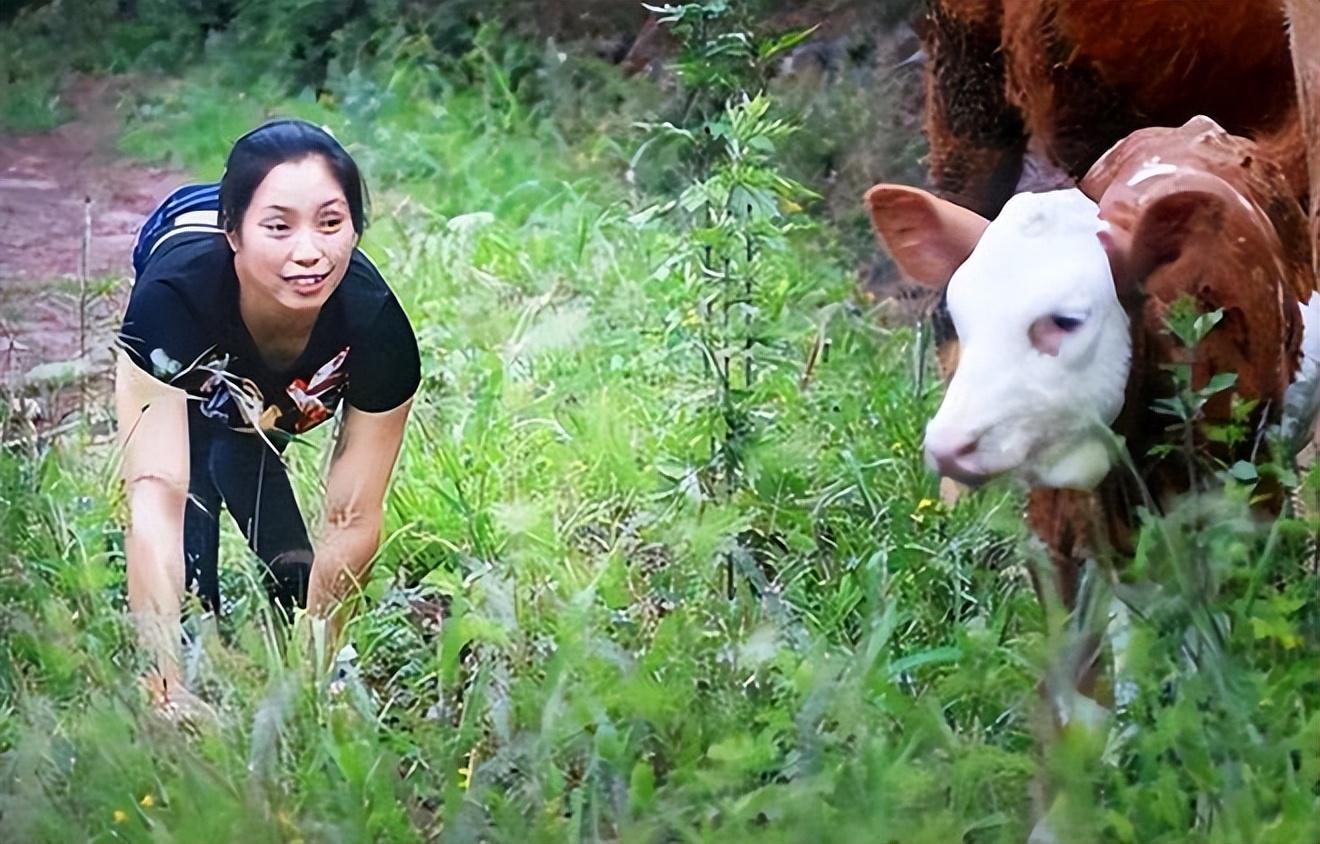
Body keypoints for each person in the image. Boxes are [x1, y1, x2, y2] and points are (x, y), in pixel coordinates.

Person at [115, 119, 419, 710]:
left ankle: (293, 630)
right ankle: (178, 654)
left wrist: (316, 668)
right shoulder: (171, 301)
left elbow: (354, 516)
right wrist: (162, 680)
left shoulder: (376, 325)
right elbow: (155, 495)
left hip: (282, 384)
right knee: (193, 468)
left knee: (248, 437)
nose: (310, 253)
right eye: (280, 227)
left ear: (355, 228)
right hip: (196, 280)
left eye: (332, 223)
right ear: (235, 233)